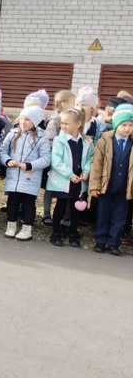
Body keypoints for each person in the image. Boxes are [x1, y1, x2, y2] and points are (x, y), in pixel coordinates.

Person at [0, 105, 51, 241]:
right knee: (12, 201)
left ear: (35, 121)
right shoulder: (13, 134)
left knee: (28, 202)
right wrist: (8, 160)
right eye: (21, 118)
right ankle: (11, 225)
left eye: (27, 119)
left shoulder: (41, 137)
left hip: (30, 176)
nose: (23, 122)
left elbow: (46, 158)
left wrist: (30, 165)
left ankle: (27, 228)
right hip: (14, 175)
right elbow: (3, 151)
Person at [89, 103, 133, 256]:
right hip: (106, 185)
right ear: (116, 124)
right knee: (103, 213)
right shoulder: (104, 141)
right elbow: (96, 164)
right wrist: (94, 185)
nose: (127, 128)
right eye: (124, 124)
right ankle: (100, 241)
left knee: (119, 216)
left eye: (131, 125)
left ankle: (114, 242)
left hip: (124, 187)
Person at [46, 108, 93, 247]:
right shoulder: (59, 140)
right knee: (60, 206)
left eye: (67, 123)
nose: (63, 126)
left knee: (76, 208)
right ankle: (55, 232)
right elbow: (56, 161)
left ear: (78, 124)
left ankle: (73, 232)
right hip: (64, 179)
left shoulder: (87, 142)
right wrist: (70, 175)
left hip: (80, 180)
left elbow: (89, 159)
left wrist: (86, 171)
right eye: (62, 123)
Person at [42, 90, 77, 226]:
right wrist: (53, 158)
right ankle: (46, 213)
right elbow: (49, 140)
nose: (75, 106)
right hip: (55, 160)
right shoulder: (55, 120)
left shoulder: (74, 119)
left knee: (68, 189)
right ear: (63, 104)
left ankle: (66, 216)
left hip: (70, 161)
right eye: (73, 103)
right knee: (50, 188)